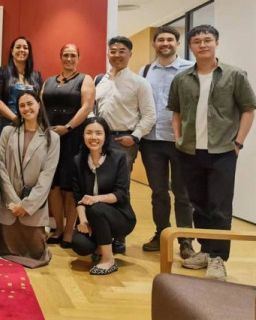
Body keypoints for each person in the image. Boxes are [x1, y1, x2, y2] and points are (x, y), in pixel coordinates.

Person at [168, 24, 256, 281]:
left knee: (219, 206)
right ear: (191, 46)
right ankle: (206, 251)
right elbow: (176, 111)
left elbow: (249, 109)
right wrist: (178, 138)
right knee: (199, 205)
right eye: (197, 41)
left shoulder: (235, 75)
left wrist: (238, 142)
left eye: (207, 40)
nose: (202, 45)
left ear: (216, 43)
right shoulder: (182, 78)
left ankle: (219, 258)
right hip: (190, 150)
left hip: (223, 150)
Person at [94, 36, 155, 253]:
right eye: (113, 51)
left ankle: (119, 237)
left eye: (122, 51)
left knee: (120, 189)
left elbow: (149, 115)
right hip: (99, 141)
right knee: (99, 185)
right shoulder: (100, 80)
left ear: (130, 54)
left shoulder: (140, 83)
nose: (117, 55)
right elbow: (94, 109)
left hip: (124, 142)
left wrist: (135, 137)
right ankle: (100, 232)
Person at [138, 26, 195, 257]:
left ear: (177, 43)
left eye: (170, 39)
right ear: (154, 44)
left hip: (180, 141)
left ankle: (185, 241)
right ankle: (161, 234)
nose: (165, 43)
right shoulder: (144, 71)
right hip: (152, 141)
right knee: (158, 192)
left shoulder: (189, 69)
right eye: (160, 39)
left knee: (183, 194)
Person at [0, 91, 60, 268]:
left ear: (39, 105)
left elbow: (47, 175)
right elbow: (0, 165)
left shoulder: (52, 138)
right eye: (22, 105)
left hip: (34, 206)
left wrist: (26, 205)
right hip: (9, 205)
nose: (26, 108)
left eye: (30, 103)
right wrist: (13, 201)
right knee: (6, 251)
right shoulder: (8, 132)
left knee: (36, 254)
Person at [41, 44, 95, 247]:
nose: (69, 59)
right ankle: (58, 229)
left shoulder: (85, 79)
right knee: (53, 186)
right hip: (51, 138)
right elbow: (41, 107)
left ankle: (69, 232)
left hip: (73, 138)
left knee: (70, 187)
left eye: (73, 55)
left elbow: (86, 106)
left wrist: (68, 127)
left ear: (79, 58)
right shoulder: (48, 81)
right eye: (65, 55)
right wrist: (47, 130)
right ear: (60, 57)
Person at [71, 117, 136, 275]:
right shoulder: (78, 160)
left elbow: (121, 194)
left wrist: (96, 199)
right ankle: (101, 245)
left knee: (96, 209)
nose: (93, 137)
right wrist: (84, 222)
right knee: (80, 245)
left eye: (98, 133)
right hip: (91, 216)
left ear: (106, 136)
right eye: (89, 133)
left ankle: (108, 260)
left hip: (119, 217)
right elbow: (78, 197)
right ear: (83, 135)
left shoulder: (118, 157)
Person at [0, 37, 43, 134]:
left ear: (29, 52)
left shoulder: (37, 76)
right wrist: (16, 119)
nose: (21, 50)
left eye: (25, 48)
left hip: (32, 124)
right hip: (9, 123)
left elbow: (40, 101)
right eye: (18, 47)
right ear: (12, 51)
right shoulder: (1, 72)